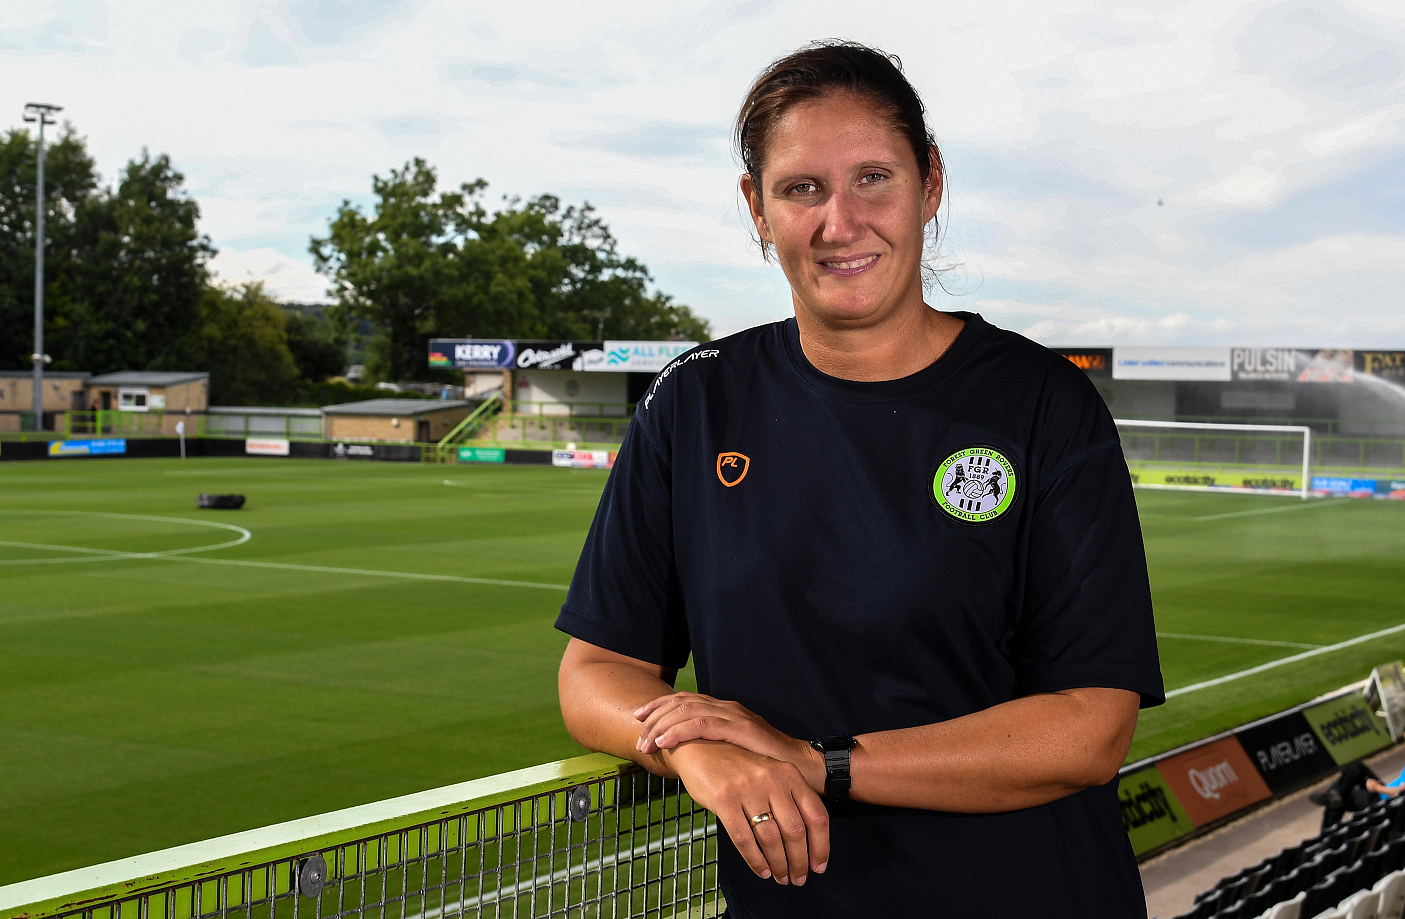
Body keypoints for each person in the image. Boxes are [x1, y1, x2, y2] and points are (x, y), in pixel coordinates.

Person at [556, 41, 1163, 918]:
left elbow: (1087, 727)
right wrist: (692, 748)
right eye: (801, 188)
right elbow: (598, 668)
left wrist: (813, 761)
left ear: (931, 183)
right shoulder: (693, 402)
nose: (839, 222)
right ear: (755, 210)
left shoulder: (1041, 405)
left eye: (872, 178)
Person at [1312, 762, 1404, 829]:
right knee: (1357, 768)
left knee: (1344, 798)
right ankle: (1334, 793)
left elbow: (1401, 792)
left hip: (1385, 801)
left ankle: (1327, 836)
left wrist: (1378, 788)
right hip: (1386, 794)